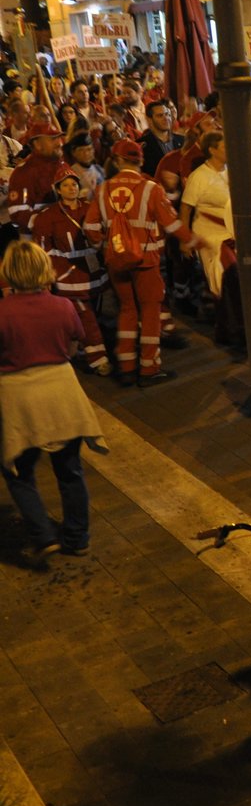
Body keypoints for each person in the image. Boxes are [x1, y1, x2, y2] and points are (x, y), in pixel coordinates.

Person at [0, 241, 107, 564]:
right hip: (62, 392)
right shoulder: (63, 306)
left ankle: (43, 535)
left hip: (19, 397)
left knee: (18, 471)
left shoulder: (2, 313)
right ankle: (77, 538)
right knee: (70, 469)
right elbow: (75, 343)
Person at [86, 142, 201, 385]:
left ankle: (126, 365)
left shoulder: (103, 189)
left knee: (127, 309)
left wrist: (105, 248)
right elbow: (171, 225)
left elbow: (91, 228)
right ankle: (149, 368)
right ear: (140, 161)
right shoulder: (151, 189)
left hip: (116, 261)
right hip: (146, 261)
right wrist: (192, 241)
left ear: (117, 161)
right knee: (150, 312)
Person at [29, 166, 108, 374]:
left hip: (92, 269)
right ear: (58, 189)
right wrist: (50, 275)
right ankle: (98, 358)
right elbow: (43, 250)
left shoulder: (89, 208)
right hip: (68, 275)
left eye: (74, 184)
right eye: (66, 185)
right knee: (86, 315)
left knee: (91, 312)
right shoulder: (47, 216)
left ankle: (80, 348)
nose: (71, 188)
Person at [181, 131, 242, 347]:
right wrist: (185, 239)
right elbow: (186, 208)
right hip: (210, 235)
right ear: (212, 150)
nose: (229, 151)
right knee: (220, 274)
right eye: (224, 147)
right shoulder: (199, 177)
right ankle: (226, 324)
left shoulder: (232, 171)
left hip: (231, 232)